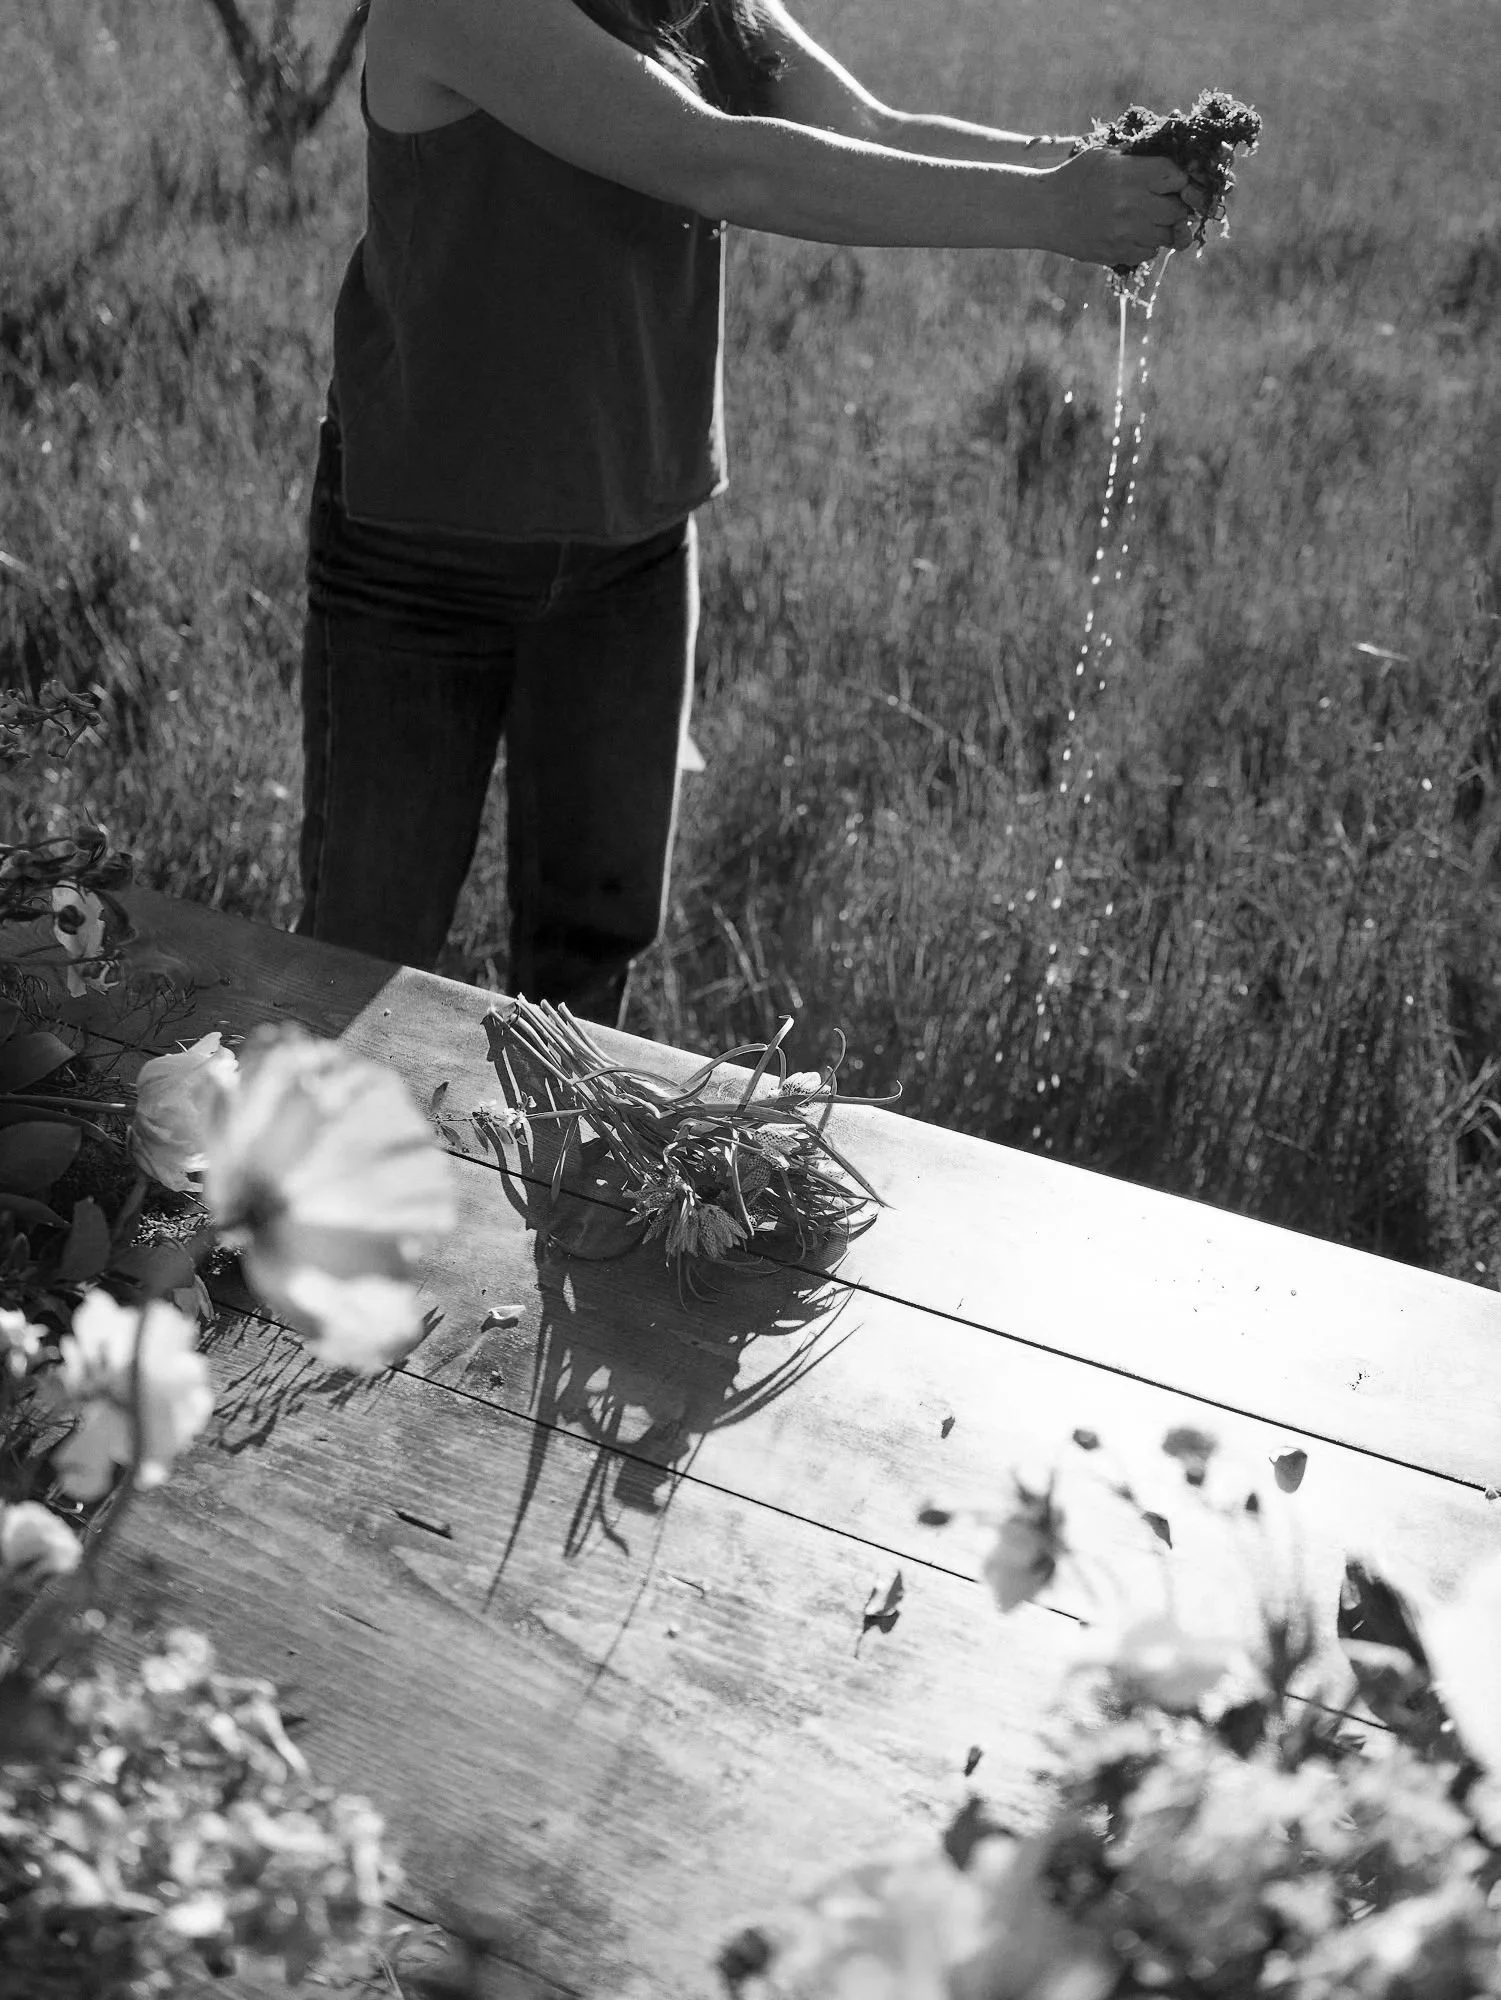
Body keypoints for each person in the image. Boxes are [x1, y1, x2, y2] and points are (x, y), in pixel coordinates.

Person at [296, 0, 1203, 1026]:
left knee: (585, 967)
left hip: (632, 554)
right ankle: (304, 1186)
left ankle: (550, 1186)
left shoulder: (703, 8)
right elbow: (718, 161)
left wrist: (1098, 174)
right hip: (422, 555)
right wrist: (1052, 211)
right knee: (360, 959)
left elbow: (867, 131)